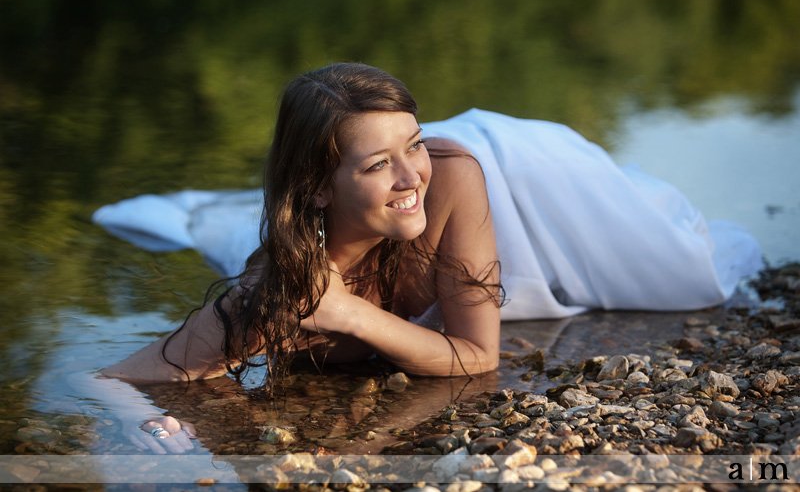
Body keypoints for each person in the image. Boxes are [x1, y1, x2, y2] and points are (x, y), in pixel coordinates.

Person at [92, 62, 762, 448]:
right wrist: (152, 426)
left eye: (412, 143)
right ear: (320, 188)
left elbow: (479, 355)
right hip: (339, 238)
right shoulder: (282, 287)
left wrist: (351, 316)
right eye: (380, 163)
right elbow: (115, 380)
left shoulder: (446, 174)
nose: (411, 173)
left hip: (518, 174)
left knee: (687, 266)